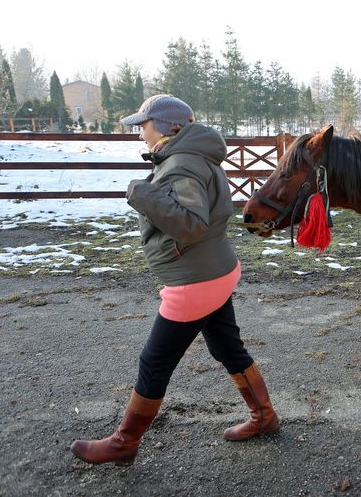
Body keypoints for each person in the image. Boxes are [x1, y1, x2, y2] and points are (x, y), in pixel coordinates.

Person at [70, 94, 279, 465]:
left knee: (155, 361)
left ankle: (124, 442)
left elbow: (191, 224)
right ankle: (264, 417)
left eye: (143, 125)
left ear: (169, 128)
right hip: (213, 272)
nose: (139, 133)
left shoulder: (181, 164)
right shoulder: (194, 157)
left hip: (196, 282)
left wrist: (142, 193)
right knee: (227, 348)